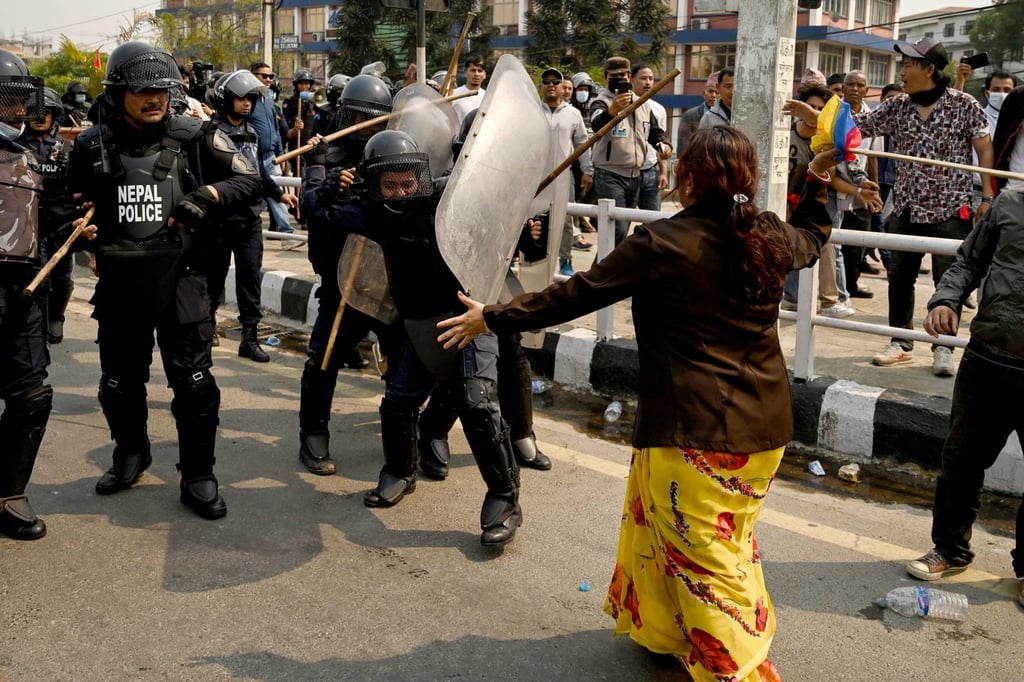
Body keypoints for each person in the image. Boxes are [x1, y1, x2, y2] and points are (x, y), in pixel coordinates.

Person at [438, 126, 834, 678]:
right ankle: (667, 632)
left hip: (693, 435)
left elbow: (577, 293)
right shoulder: (767, 233)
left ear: (688, 178)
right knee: (709, 539)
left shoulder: (663, 243)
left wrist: (495, 314)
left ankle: (735, 669)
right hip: (762, 429)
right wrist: (817, 181)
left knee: (710, 567)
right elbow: (813, 237)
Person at [66, 41, 263, 519]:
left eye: (162, 89)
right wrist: (80, 235)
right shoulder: (91, 144)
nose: (154, 98)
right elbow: (67, 205)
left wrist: (209, 195)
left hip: (184, 281)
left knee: (194, 383)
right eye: (142, 90)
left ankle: (198, 475)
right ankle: (130, 453)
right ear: (118, 92)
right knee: (118, 383)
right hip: (121, 283)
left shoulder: (197, 135)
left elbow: (250, 179)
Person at [359, 129, 524, 547]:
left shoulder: (446, 205)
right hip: (420, 323)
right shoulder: (368, 212)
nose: (399, 193)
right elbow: (320, 213)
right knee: (398, 402)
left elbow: (494, 213)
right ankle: (399, 470)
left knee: (477, 402)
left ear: (421, 178)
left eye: (406, 183)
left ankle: (505, 497)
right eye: (389, 185)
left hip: (469, 315)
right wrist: (325, 180)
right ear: (374, 184)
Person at [904, 183, 1024, 610]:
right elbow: (968, 261)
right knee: (961, 463)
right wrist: (947, 299)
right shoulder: (1009, 205)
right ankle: (950, 550)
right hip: (988, 358)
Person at [851, 38, 995, 377]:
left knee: (949, 283)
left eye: (908, 65)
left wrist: (987, 198)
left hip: (951, 209)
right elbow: (858, 130)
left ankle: (944, 347)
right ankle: (900, 342)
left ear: (930, 69)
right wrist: (819, 117)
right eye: (902, 65)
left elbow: (985, 151)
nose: (902, 71)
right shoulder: (897, 106)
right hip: (906, 207)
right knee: (900, 278)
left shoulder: (964, 104)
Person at [0, 50, 96, 540]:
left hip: (24, 291)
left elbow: (54, 219)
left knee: (32, 395)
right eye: (7, 100)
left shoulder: (35, 158)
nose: (18, 111)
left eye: (20, 100)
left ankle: (8, 492)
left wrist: (81, 226)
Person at [297, 74, 395, 475]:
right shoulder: (325, 156)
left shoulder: (391, 152)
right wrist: (330, 187)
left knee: (405, 356)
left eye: (378, 120)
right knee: (326, 355)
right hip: (344, 277)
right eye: (362, 117)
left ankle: (404, 437)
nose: (369, 126)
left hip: (388, 278)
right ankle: (313, 431)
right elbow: (311, 210)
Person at [205, 70, 299, 361]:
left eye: (251, 98)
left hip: (249, 219)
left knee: (250, 279)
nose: (247, 104)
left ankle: (249, 338)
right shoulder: (210, 134)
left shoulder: (253, 133)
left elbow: (257, 173)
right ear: (227, 99)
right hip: (220, 218)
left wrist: (279, 193)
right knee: (212, 279)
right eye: (241, 98)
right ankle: (205, 331)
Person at [18, 86, 78, 343]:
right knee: (36, 279)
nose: (40, 117)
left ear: (55, 117)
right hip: (27, 224)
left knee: (62, 277)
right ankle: (35, 326)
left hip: (60, 224)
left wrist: (71, 168)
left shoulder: (67, 149)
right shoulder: (15, 146)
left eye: (47, 113)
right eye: (34, 112)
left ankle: (57, 316)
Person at [588, 56, 668, 245]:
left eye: (623, 75)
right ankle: (601, 271)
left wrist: (664, 146)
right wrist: (612, 111)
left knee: (620, 234)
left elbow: (656, 133)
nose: (620, 79)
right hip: (610, 175)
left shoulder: (642, 104)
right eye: (614, 76)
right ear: (606, 77)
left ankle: (604, 269)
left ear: (630, 76)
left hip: (636, 176)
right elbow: (596, 125)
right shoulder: (600, 103)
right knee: (617, 229)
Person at [248, 62, 295, 234]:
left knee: (277, 194)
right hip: (251, 159)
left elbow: (275, 130)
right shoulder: (246, 100)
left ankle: (287, 233)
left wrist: (281, 154)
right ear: (252, 75)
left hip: (271, 158)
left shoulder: (268, 99)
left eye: (271, 76)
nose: (268, 80)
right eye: (264, 76)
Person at [676, 71, 718, 155]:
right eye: (710, 91)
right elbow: (683, 147)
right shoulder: (690, 115)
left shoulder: (730, 115)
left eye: (717, 92)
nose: (713, 95)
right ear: (703, 93)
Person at [452, 55, 486, 123]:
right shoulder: (454, 95)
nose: (476, 74)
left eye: (480, 71)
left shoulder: (488, 97)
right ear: (465, 73)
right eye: (473, 70)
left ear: (484, 74)